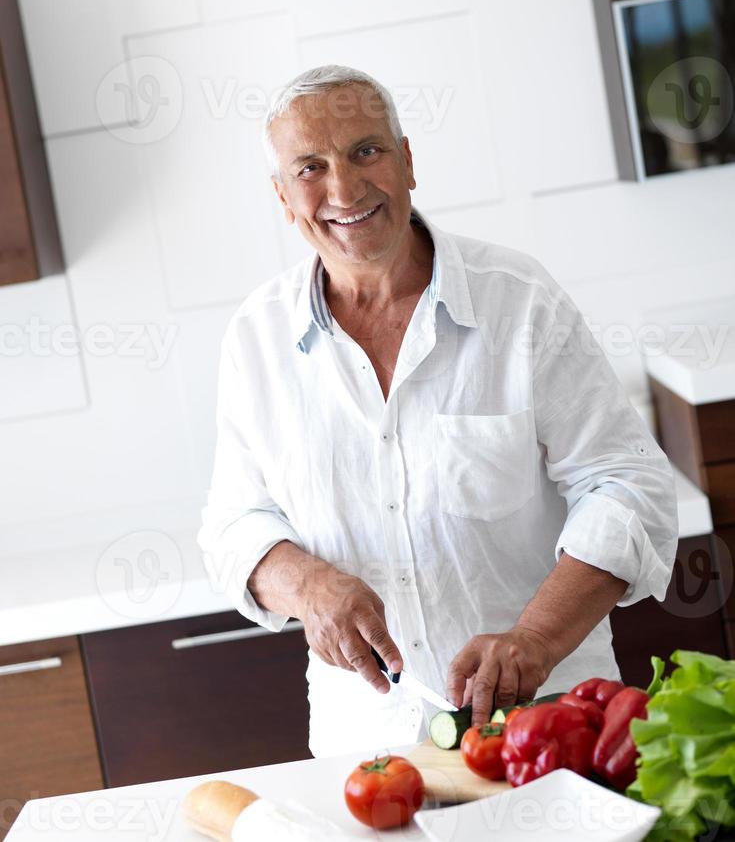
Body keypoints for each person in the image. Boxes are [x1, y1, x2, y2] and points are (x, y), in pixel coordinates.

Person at [198, 65, 678, 758]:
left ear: (407, 162)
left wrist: (534, 639)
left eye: (366, 151)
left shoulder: (520, 301)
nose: (343, 189)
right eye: (310, 167)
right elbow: (231, 525)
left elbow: (627, 486)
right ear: (282, 197)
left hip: (549, 723)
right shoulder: (256, 338)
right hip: (368, 744)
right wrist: (307, 586)